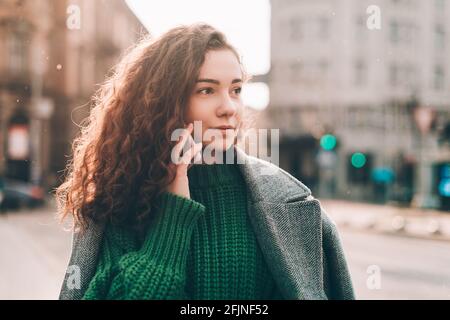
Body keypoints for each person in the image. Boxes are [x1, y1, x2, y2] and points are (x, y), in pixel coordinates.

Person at [55, 23, 355, 300]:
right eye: (207, 90)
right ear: (163, 101)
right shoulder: (121, 195)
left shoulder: (290, 202)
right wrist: (174, 210)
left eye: (236, 90)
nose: (229, 108)